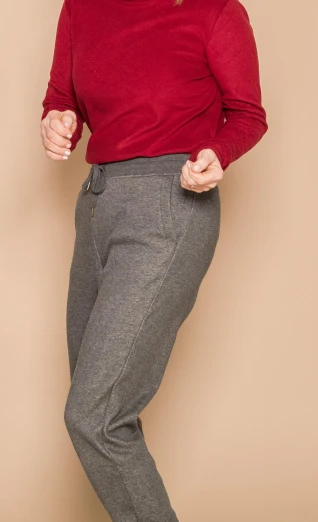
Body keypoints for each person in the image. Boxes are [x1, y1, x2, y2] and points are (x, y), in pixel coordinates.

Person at [40, 0, 267, 519]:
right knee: (104, 409)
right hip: (96, 206)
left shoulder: (215, 11)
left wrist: (218, 151)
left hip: (171, 205)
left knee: (95, 415)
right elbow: (61, 98)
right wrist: (58, 122)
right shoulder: (80, 9)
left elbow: (248, 115)